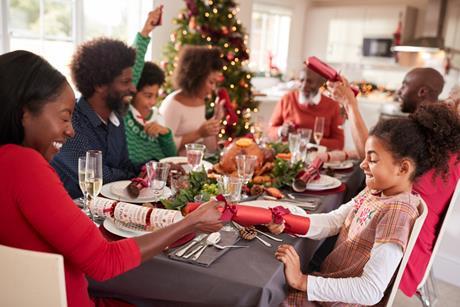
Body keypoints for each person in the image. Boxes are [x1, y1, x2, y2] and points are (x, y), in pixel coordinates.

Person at [0, 50, 224, 307]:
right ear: (24, 113)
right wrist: (191, 222)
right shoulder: (26, 166)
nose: (71, 130)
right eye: (64, 116)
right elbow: (105, 261)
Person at [272, 103, 460, 306]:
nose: (362, 165)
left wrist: (302, 281)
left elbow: (370, 290)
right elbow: (334, 220)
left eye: (372, 159)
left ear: (403, 168)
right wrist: (290, 222)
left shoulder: (398, 212)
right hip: (328, 289)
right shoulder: (378, 191)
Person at [328, 76, 460, 298]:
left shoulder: (441, 153)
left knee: (323, 238)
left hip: (397, 254)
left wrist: (350, 104)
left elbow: (372, 157)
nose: (448, 103)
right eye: (451, 98)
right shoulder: (440, 146)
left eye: (455, 102)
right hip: (402, 246)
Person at [51, 37, 140, 199]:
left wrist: (153, 167)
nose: (133, 89)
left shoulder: (115, 118)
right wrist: (138, 177)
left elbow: (124, 165)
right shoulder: (69, 124)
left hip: (108, 209)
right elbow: (100, 178)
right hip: (76, 214)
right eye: (125, 82)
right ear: (99, 85)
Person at [125, 6, 176, 164]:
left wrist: (165, 134)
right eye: (147, 96)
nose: (153, 102)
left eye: (156, 96)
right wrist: (145, 33)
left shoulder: (157, 117)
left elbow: (172, 157)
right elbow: (132, 70)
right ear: (133, 91)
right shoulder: (124, 115)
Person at [159, 45, 224, 155]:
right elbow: (164, 147)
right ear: (196, 77)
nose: (213, 88)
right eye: (211, 82)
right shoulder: (173, 104)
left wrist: (215, 120)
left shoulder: (200, 101)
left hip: (197, 165)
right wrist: (199, 133)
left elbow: (211, 149)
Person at [268, 66, 345, 150]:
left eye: (310, 82)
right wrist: (280, 131)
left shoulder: (332, 105)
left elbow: (339, 144)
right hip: (287, 154)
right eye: (301, 80)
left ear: (320, 83)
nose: (304, 86)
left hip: (318, 157)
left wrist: (314, 140)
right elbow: (270, 131)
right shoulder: (287, 99)